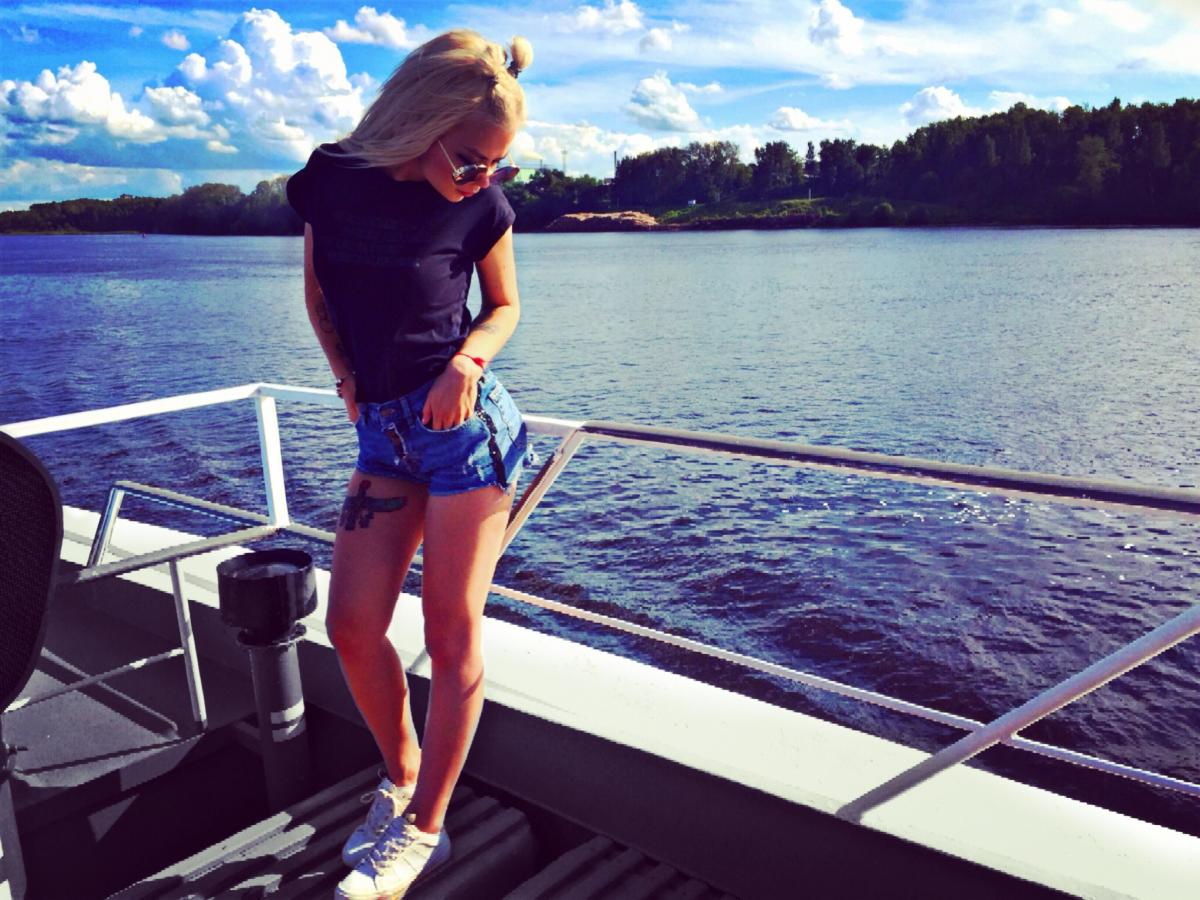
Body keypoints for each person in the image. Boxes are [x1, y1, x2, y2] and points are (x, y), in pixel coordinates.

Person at [285, 29, 534, 900]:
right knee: (352, 626)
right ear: (417, 123)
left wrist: (467, 362)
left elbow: (504, 307)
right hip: (384, 436)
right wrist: (344, 375)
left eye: (499, 166)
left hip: (466, 433)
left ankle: (425, 831)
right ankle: (401, 779)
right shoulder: (331, 179)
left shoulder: (480, 207)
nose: (482, 179)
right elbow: (318, 290)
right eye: (470, 161)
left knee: (450, 631)